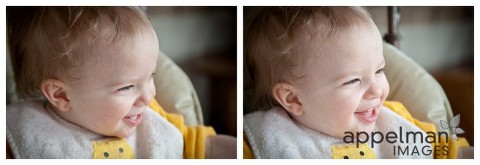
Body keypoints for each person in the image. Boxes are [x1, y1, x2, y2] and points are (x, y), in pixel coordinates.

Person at [6, 7, 236, 159]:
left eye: (151, 77)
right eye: (127, 87)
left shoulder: (152, 119)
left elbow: (203, 146)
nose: (149, 97)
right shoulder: (21, 134)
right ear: (61, 95)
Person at [243, 6, 468, 159]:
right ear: (293, 98)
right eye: (352, 81)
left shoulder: (394, 120)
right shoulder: (264, 138)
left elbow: (444, 151)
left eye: (379, 70)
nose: (377, 90)